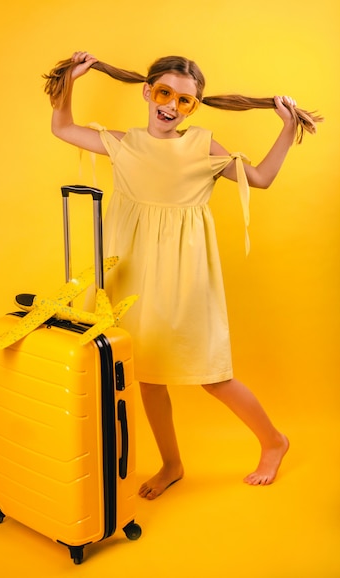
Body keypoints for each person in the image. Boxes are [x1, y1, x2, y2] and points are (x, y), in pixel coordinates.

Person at [43, 51, 322, 500]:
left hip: (184, 277)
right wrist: (70, 82)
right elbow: (62, 128)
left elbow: (262, 178)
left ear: (195, 107)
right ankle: (172, 463)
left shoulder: (202, 147)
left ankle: (274, 441)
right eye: (164, 93)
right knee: (146, 373)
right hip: (132, 273)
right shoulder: (125, 142)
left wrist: (288, 129)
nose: (171, 107)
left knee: (212, 374)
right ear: (147, 92)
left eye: (185, 101)